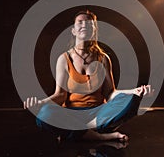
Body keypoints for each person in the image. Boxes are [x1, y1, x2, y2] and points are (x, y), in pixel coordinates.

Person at [24, 10, 153, 142]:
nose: (84, 25)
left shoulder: (103, 59)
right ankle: (98, 136)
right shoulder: (64, 59)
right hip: (71, 114)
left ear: (94, 31)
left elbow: (110, 93)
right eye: (80, 22)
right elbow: (60, 95)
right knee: (44, 114)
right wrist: (40, 103)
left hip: (98, 114)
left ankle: (77, 132)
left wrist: (135, 92)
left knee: (132, 101)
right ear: (73, 31)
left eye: (89, 23)